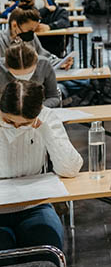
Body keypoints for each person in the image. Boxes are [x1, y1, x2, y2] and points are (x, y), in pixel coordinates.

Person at [0, 80, 82, 251]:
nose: (16, 127)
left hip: (34, 206)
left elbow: (70, 168)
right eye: (8, 121)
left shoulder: (46, 117)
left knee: (46, 250)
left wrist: (45, 131)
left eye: (23, 124)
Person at [0, 8, 72, 70]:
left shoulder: (31, 37)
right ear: (14, 25)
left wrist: (61, 62)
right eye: (29, 30)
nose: (32, 34)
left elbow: (44, 56)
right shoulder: (1, 40)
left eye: (34, 30)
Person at [0, 43, 59, 108]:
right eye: (16, 75)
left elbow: (53, 96)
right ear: (6, 65)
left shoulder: (44, 64)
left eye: (29, 73)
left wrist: (39, 108)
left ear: (37, 63)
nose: (23, 79)